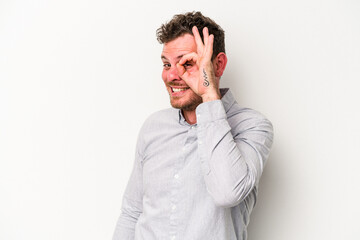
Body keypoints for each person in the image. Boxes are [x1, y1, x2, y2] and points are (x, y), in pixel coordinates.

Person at [112, 11, 273, 240]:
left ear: (217, 65)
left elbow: (227, 192)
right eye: (167, 64)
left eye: (188, 63)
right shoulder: (153, 127)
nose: (172, 75)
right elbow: (132, 213)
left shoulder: (253, 126)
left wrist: (208, 92)